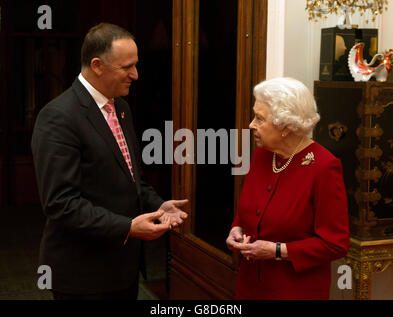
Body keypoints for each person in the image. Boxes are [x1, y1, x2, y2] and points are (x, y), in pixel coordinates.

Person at [31, 23, 188, 300]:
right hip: (84, 275)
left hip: (123, 270)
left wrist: (158, 204)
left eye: (135, 65)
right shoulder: (58, 117)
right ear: (97, 65)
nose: (135, 75)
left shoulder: (121, 107)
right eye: (127, 67)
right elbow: (60, 203)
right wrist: (128, 227)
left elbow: (129, 176)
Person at [226, 77, 350, 300]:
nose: (251, 124)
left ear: (285, 126)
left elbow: (335, 244)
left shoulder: (324, 167)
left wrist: (276, 251)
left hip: (294, 291)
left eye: (259, 118)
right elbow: (253, 208)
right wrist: (237, 228)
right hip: (250, 286)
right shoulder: (262, 154)